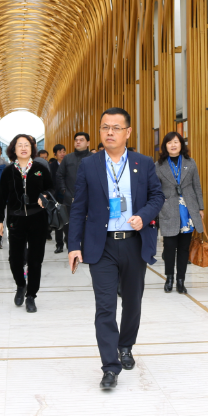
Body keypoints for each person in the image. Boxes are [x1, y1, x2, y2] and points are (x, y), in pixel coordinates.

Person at [68, 108, 164, 390]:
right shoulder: (89, 165)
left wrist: (143, 216)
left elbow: (157, 196)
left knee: (133, 302)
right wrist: (74, 246)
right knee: (105, 307)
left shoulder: (143, 163)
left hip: (134, 242)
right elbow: (78, 208)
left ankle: (125, 345)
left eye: (116, 127)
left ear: (128, 132)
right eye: (105, 127)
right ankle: (110, 367)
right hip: (102, 246)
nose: (109, 132)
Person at [0, 134, 53, 313]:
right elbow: (1, 197)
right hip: (16, 219)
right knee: (15, 259)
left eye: (26, 145)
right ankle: (21, 285)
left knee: (36, 260)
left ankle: (31, 296)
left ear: (32, 148)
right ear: (13, 149)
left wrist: (45, 195)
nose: (23, 148)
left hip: (38, 219)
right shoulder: (8, 171)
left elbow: (51, 188)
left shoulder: (40, 168)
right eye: (19, 145)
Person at [155, 132, 204, 295]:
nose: (173, 145)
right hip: (168, 210)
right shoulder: (158, 165)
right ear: (165, 146)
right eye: (169, 142)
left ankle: (181, 280)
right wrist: (160, 203)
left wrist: (201, 208)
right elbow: (154, 189)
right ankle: (169, 278)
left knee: (184, 248)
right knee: (169, 248)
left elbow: (197, 186)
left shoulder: (190, 162)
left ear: (181, 144)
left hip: (188, 212)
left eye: (176, 142)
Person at [55, 132, 92, 253]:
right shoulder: (68, 158)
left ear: (88, 143)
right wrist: (64, 190)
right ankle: (72, 250)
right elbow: (59, 175)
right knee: (70, 227)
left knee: (88, 227)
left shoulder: (94, 158)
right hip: (70, 199)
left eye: (81, 140)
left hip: (90, 200)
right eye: (76, 140)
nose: (78, 142)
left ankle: (86, 251)